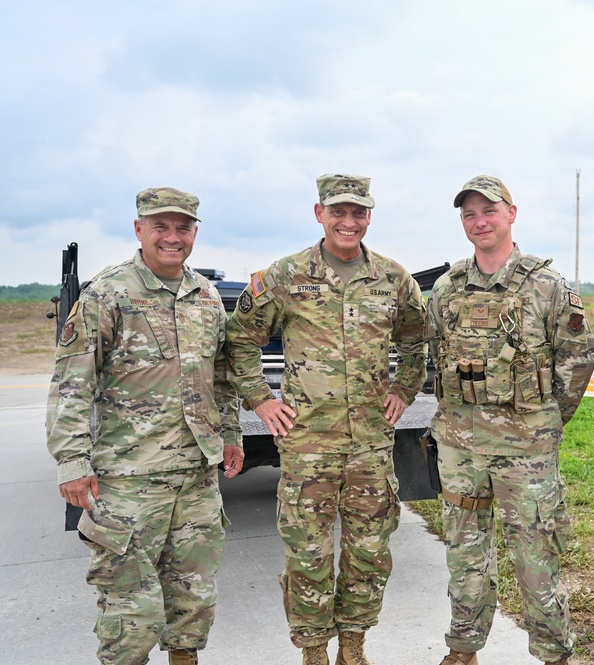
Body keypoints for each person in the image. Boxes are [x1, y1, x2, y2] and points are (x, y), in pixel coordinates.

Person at [225, 174, 427, 665]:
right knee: (308, 555)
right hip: (308, 443)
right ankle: (314, 650)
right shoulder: (285, 276)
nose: (348, 221)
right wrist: (260, 399)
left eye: (358, 213)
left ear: (369, 217)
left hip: (369, 446)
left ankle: (353, 647)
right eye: (338, 211)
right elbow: (240, 339)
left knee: (369, 551)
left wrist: (404, 389)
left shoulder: (393, 278)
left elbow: (417, 338)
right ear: (320, 214)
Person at [45, 187, 243, 665]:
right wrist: (72, 462)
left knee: (193, 600)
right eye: (162, 227)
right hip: (131, 482)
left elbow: (221, 375)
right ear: (139, 229)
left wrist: (231, 436)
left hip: (196, 477)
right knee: (130, 613)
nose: (173, 237)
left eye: (183, 227)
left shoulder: (206, 296)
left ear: (195, 232)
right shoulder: (108, 293)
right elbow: (72, 381)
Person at [426, 175, 594, 665]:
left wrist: (544, 422)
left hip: (527, 450)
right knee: (464, 553)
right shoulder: (446, 288)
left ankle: (553, 653)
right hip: (460, 445)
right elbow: (434, 349)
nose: (479, 222)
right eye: (469, 214)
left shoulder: (547, 285)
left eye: (489, 211)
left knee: (536, 556)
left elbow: (576, 359)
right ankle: (463, 648)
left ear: (511, 214)